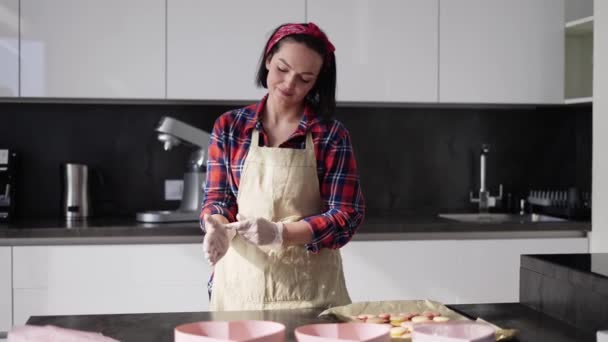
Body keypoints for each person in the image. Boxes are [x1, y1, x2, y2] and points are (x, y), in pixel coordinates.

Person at [200, 22, 365, 311]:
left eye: (305, 78)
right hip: (240, 291)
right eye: (282, 68)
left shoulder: (331, 135)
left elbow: (346, 216)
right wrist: (215, 225)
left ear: (317, 82)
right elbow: (219, 200)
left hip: (311, 295)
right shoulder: (230, 127)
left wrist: (281, 234)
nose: (289, 84)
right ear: (267, 60)